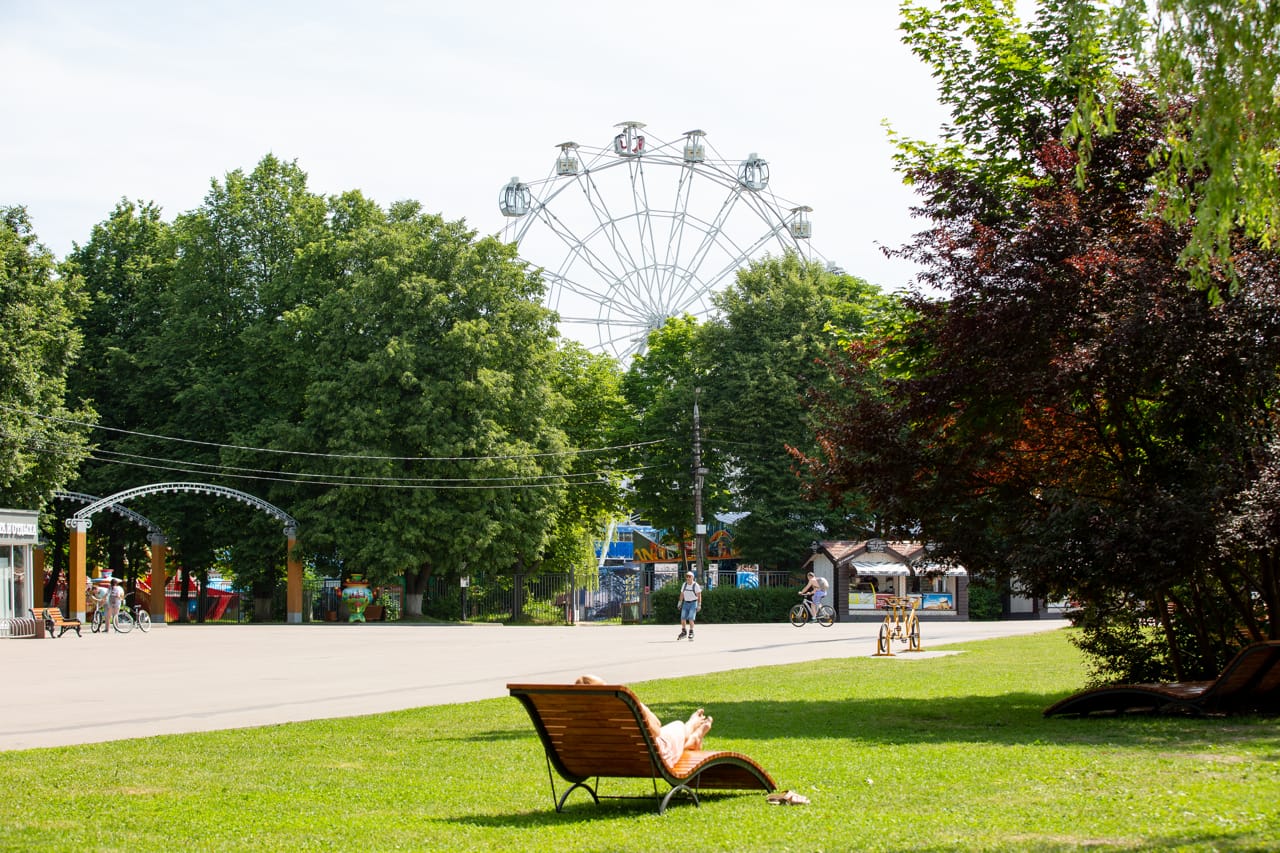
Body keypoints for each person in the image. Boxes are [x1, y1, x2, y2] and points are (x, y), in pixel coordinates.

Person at [575, 674, 712, 767]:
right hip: (648, 760)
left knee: (668, 734)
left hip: (606, 762)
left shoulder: (575, 718)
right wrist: (640, 705)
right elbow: (656, 730)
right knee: (678, 725)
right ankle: (691, 726)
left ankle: (693, 739)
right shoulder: (623, 705)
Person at [676, 570, 702, 641]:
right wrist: (679, 602)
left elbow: (699, 595)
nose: (687, 578)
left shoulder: (695, 585)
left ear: (692, 577)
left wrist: (699, 605)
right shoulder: (684, 584)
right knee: (683, 618)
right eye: (686, 576)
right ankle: (684, 632)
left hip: (693, 603)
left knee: (691, 618)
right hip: (685, 603)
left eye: (689, 576)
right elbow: (682, 594)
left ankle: (691, 632)